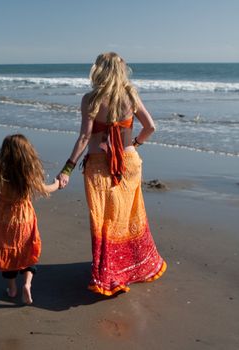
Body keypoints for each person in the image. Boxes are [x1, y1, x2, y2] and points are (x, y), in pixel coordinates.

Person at [57, 52, 167, 296]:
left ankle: (108, 272)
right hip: (129, 163)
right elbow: (151, 127)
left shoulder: (90, 99)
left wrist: (67, 168)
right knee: (127, 217)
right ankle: (130, 269)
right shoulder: (130, 95)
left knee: (103, 220)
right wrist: (135, 143)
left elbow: (85, 137)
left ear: (98, 70)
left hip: (98, 165)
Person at [0, 134, 59, 304]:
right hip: (24, 220)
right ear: (27, 154)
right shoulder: (28, 177)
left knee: (8, 254)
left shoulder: (0, 176)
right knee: (27, 252)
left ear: (4, 154)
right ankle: (27, 284)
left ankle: (12, 288)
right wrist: (58, 183)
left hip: (3, 221)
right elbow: (46, 189)